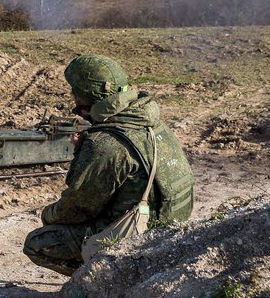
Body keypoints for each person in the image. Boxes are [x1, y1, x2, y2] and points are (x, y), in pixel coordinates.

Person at [23, 54, 194, 276]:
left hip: (141, 232)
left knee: (38, 243)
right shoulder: (147, 119)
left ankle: (106, 279)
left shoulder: (104, 144)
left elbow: (78, 208)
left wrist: (48, 215)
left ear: (86, 96)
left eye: (75, 93)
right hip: (173, 223)